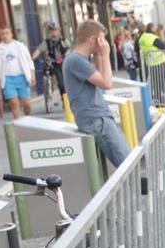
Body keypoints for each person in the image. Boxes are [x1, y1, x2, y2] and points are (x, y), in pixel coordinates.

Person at [63, 20, 130, 167]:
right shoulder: (75, 60)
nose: (105, 43)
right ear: (92, 40)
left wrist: (100, 54)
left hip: (97, 118)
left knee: (127, 161)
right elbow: (107, 83)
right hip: (95, 119)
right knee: (128, 165)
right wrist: (105, 54)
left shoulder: (78, 59)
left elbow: (101, 77)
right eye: (102, 39)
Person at [0, 27, 35, 119]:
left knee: (26, 103)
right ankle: (18, 123)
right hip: (7, 79)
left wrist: (32, 75)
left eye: (7, 33)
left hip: (22, 77)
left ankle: (28, 119)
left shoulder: (20, 46)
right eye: (2, 34)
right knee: (13, 102)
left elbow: (29, 61)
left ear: (11, 34)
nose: (4, 36)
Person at [32, 23, 70, 105]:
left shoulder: (63, 41)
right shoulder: (47, 42)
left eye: (55, 30)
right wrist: (33, 58)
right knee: (49, 73)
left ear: (58, 31)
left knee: (64, 83)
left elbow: (69, 50)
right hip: (53, 64)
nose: (53, 32)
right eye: (52, 31)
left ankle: (66, 100)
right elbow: (38, 51)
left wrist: (64, 57)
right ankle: (49, 90)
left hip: (63, 63)